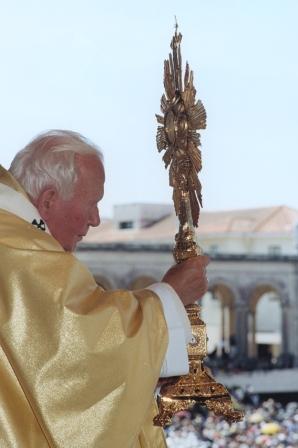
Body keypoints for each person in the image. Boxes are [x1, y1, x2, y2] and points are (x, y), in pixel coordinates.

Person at [0, 130, 209, 448]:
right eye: (92, 204)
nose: (97, 220)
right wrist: (170, 296)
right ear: (49, 199)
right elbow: (78, 352)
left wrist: (152, 355)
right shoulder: (19, 249)